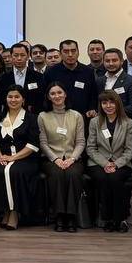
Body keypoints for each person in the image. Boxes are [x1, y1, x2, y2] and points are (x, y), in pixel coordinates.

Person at [0, 86, 42, 230]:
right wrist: (0, 156)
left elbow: (33, 145)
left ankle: (15, 212)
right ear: (6, 99)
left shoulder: (32, 118)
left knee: (15, 172)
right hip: (4, 157)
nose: (13, 100)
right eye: (10, 97)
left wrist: (14, 157)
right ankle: (5, 210)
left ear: (23, 100)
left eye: (17, 97)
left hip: (26, 159)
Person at [38, 83, 86, 232]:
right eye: (52, 93)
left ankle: (71, 216)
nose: (57, 96)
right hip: (50, 158)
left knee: (73, 174)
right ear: (48, 97)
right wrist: (56, 159)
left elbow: (80, 142)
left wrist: (72, 159)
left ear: (65, 94)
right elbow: (43, 143)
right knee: (57, 174)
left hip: (73, 157)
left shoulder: (76, 116)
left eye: (59, 92)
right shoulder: (43, 116)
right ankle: (59, 215)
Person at [86, 90, 132, 232]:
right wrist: (105, 163)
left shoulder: (128, 123)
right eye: (104, 103)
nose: (108, 106)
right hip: (98, 162)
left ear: (118, 103)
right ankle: (107, 218)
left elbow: (130, 150)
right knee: (103, 178)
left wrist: (116, 164)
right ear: (100, 105)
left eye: (112, 102)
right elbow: (91, 148)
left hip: (122, 162)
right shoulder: (95, 122)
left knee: (115, 178)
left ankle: (120, 219)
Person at [43, 40, 97, 117]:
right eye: (66, 51)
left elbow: (93, 94)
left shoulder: (88, 71)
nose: (70, 54)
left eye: (73, 51)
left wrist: (92, 108)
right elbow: (45, 95)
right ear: (60, 54)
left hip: (83, 116)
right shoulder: (51, 72)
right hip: (58, 116)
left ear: (78, 52)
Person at [98, 48, 132, 121]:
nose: (111, 63)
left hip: (124, 122)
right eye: (107, 61)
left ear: (122, 61)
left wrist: (110, 112)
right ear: (103, 62)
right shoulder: (99, 81)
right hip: (102, 123)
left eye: (114, 60)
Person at [7, 43, 45, 113]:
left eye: (22, 55)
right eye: (16, 55)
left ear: (28, 57)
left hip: (32, 114)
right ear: (11, 57)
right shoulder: (4, 77)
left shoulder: (38, 76)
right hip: (10, 114)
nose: (19, 58)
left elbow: (41, 98)